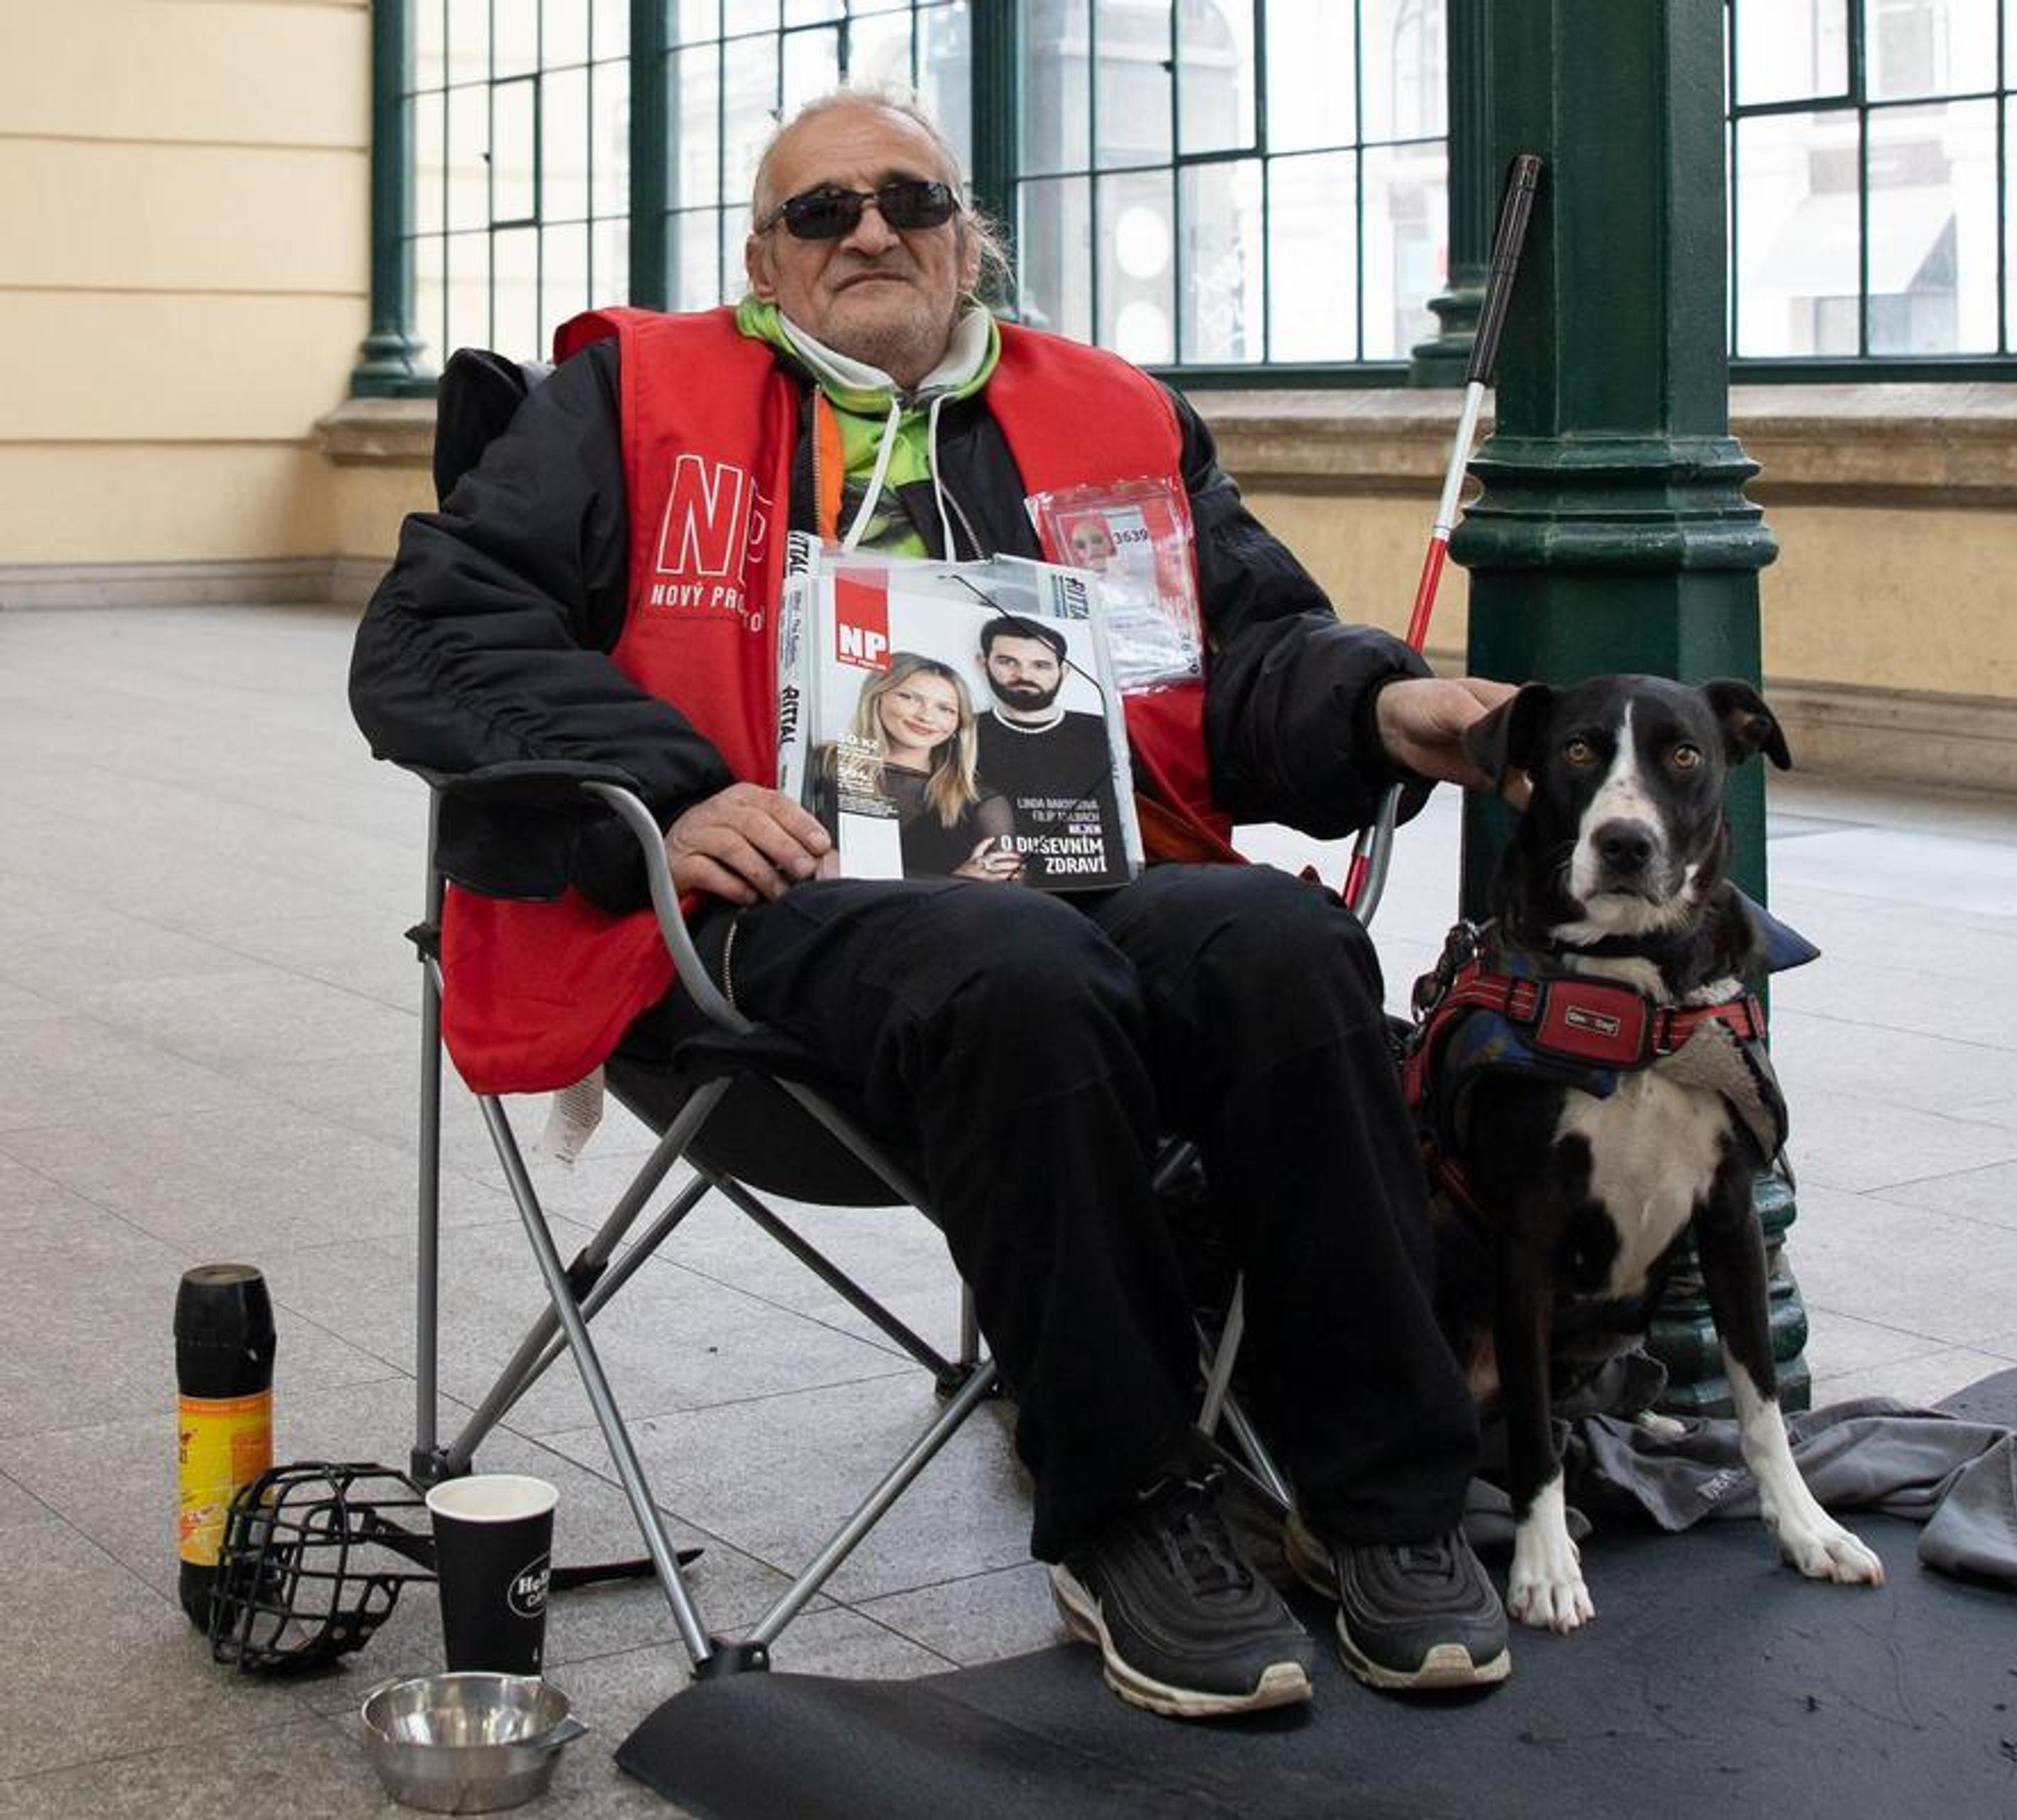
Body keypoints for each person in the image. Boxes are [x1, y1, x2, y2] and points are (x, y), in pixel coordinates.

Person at [350, 85, 1518, 1720]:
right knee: (1017, 969)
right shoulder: (629, 398)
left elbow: (1239, 654)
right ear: (761, 256)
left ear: (969, 239)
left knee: (1283, 946)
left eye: (908, 199)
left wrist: (1383, 707)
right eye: (820, 213)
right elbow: (435, 630)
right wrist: (674, 795)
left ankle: (1377, 1502)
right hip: (773, 921)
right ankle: (1125, 1508)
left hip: (1094, 874)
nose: (871, 231)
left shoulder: (1110, 415)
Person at [968, 614, 1123, 886]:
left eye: (1041, 665)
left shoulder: (1101, 730)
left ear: (1064, 672)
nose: (1024, 675)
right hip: (987, 889)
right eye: (1007, 662)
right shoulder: (957, 731)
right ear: (983, 664)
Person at [840, 653, 1020, 881]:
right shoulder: (825, 765)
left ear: (958, 723)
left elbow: (1011, 900)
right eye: (908, 697)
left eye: (945, 709)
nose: (926, 716)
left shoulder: (983, 803)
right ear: (876, 697)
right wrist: (955, 882)